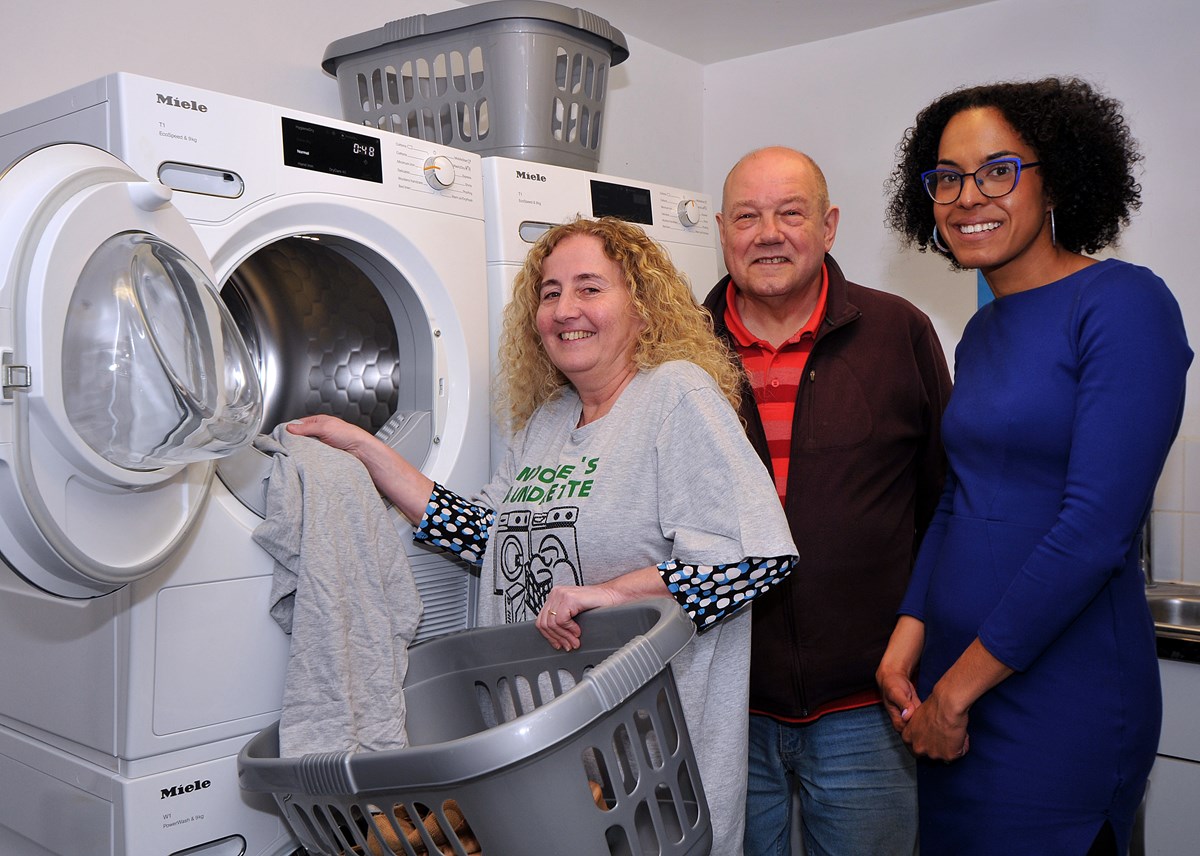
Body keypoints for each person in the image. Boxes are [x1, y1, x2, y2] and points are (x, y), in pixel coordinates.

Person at [289, 216, 799, 855]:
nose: (565, 309)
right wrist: (365, 450)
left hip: (651, 777)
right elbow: (484, 538)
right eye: (550, 292)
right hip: (548, 766)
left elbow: (757, 560)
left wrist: (614, 593)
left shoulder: (676, 398)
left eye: (590, 288)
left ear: (642, 307)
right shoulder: (548, 424)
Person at [877, 77, 1192, 855]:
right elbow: (959, 496)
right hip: (957, 679)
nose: (966, 195)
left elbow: (1094, 531)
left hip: (1060, 692)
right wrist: (909, 633)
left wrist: (956, 692)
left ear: (1056, 176)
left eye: (997, 170)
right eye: (947, 177)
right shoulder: (982, 333)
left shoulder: (1123, 303)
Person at [704, 146, 952, 856]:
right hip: (724, 706)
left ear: (830, 225)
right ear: (723, 229)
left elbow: (945, 507)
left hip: (868, 709)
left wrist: (920, 649)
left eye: (791, 213)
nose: (768, 233)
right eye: (747, 217)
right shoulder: (678, 347)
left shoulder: (897, 332)